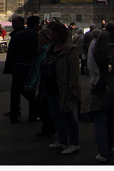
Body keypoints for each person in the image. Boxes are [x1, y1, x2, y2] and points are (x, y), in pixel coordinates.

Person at [88, 28, 114, 162]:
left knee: (100, 120)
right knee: (112, 119)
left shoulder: (95, 50)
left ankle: (102, 151)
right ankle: (110, 147)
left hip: (100, 86)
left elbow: (91, 68)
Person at [40, 20, 81, 155]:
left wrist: (71, 90)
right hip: (50, 88)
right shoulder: (50, 48)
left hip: (64, 88)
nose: (51, 34)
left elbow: (74, 73)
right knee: (55, 116)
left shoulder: (69, 50)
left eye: (54, 32)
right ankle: (62, 140)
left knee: (68, 116)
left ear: (60, 34)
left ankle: (74, 143)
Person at [3, 15, 39, 123]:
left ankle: (13, 115)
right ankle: (32, 116)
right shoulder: (37, 35)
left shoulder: (17, 35)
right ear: (36, 24)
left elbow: (11, 53)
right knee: (31, 92)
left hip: (18, 66)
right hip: (31, 67)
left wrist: (10, 67)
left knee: (15, 92)